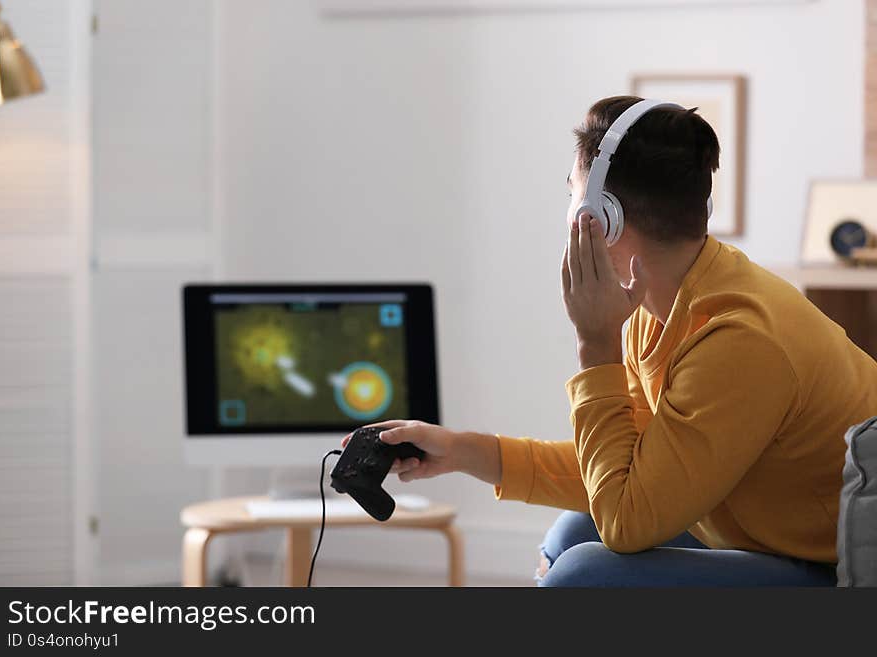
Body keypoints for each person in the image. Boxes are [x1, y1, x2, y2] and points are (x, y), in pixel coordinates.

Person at [345, 95, 877, 586]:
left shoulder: (738, 337)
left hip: (831, 569)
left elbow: (625, 519)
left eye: (573, 193)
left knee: (583, 573)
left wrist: (594, 344)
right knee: (572, 537)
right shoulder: (665, 299)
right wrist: (462, 450)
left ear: (600, 218)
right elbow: (630, 474)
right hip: (759, 531)